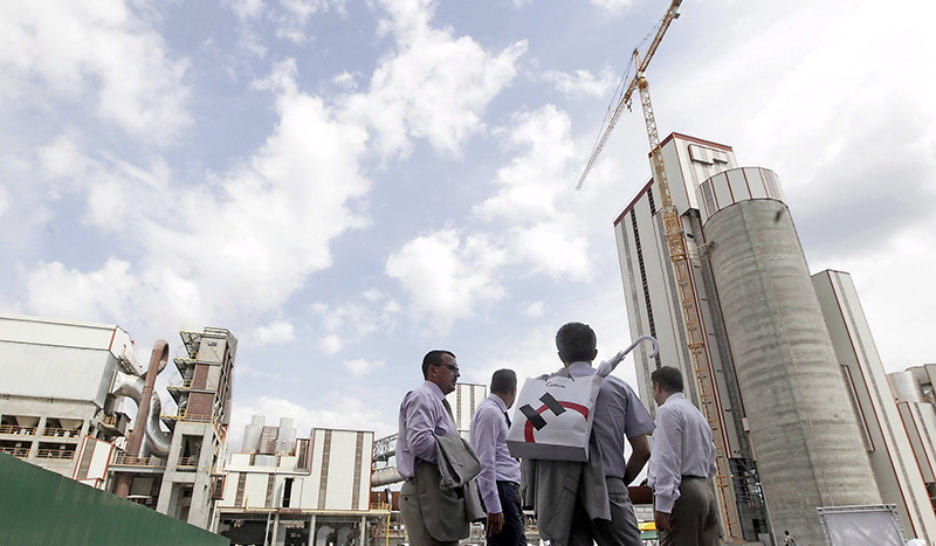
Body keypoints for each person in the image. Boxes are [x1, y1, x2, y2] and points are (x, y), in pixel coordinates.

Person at [525, 322, 654, 546]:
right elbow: (643, 451)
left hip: (560, 490)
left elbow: (529, 446)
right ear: (594, 353)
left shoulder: (545, 391)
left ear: (560, 355)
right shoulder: (617, 387)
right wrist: (620, 482)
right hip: (608, 484)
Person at [396, 350, 467, 546]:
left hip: (438, 491)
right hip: (425, 490)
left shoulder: (439, 403)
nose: (458, 374)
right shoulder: (423, 397)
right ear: (433, 370)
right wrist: (456, 459)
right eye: (452, 368)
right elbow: (419, 443)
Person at [647, 366, 720, 546]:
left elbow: (667, 459)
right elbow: (712, 461)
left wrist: (663, 504)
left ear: (658, 387)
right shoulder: (697, 415)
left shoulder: (667, 411)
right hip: (706, 489)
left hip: (683, 492)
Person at [470, 369, 526, 546]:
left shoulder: (492, 412)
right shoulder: (491, 413)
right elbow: (485, 462)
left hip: (504, 490)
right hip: (501, 490)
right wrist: (494, 507)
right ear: (513, 391)